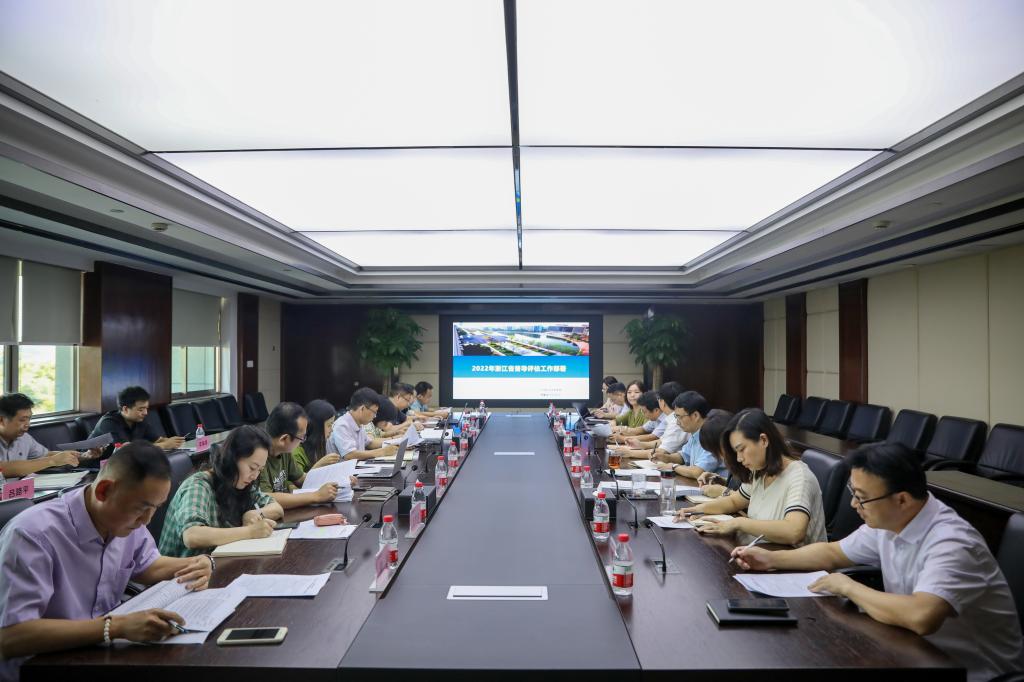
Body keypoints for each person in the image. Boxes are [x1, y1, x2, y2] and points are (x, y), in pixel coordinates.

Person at [731, 443, 1024, 682]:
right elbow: (833, 552)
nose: (853, 505)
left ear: (902, 499)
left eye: (861, 498)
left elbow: (922, 616)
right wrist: (771, 558)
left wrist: (849, 587)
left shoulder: (952, 543)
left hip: (973, 672)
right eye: (853, 494)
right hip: (911, 652)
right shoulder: (890, 521)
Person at [0, 442, 214, 679]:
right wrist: (115, 627)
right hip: (41, 666)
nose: (147, 520)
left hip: (101, 654)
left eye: (155, 508)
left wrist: (198, 563)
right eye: (141, 508)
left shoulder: (125, 521)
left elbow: (147, 566)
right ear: (103, 491)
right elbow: (12, 636)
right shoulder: (33, 535)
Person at [676, 408, 826, 547]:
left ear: (764, 440)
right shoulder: (759, 470)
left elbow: (794, 532)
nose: (739, 458)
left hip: (795, 561)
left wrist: (739, 523)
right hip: (763, 551)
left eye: (742, 449)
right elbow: (734, 501)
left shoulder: (799, 476)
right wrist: (696, 510)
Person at [158, 425, 285, 558]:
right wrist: (249, 532)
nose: (255, 476)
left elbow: (277, 508)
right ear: (232, 459)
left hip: (216, 561)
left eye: (260, 470)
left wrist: (255, 513)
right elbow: (191, 536)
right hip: (182, 568)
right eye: (252, 467)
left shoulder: (240, 482)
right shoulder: (198, 485)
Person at [259, 402, 354, 509]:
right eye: (302, 437)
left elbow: (302, 479)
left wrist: (340, 481)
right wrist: (316, 496)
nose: (302, 441)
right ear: (284, 439)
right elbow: (266, 498)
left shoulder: (284, 452)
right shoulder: (259, 457)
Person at [0, 392, 86, 477]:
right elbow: (3, 469)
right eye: (22, 420)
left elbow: (45, 455)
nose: (27, 424)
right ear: (2, 420)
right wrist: (52, 461)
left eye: (29, 419)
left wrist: (83, 456)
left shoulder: (24, 438)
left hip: (20, 486)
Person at [90, 386, 185, 451]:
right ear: (125, 409)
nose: (145, 413)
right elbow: (127, 450)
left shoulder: (139, 420)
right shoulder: (108, 422)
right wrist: (164, 445)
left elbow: (158, 440)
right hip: (94, 469)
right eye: (141, 409)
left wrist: (175, 441)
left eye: (146, 408)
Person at [664, 391, 729, 479]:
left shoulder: (712, 436)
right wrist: (665, 457)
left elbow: (697, 472)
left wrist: (673, 467)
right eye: (676, 417)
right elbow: (684, 455)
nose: (677, 422)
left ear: (695, 415)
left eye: (680, 417)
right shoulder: (695, 433)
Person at [330, 388, 400, 461]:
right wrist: (382, 452)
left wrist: (396, 442)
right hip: (345, 468)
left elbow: (370, 443)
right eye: (374, 412)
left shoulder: (359, 423)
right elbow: (349, 455)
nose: (375, 416)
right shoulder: (342, 425)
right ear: (362, 409)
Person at [693, 409, 737, 497]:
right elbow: (739, 487)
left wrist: (723, 491)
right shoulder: (735, 461)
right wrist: (720, 480)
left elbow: (748, 499)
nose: (720, 457)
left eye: (717, 451)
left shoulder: (748, 462)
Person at [292, 399, 342, 474]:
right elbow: (296, 481)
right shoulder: (296, 451)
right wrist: (320, 464)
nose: (331, 430)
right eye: (329, 425)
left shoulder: (319, 444)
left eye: (332, 424)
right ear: (317, 427)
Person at [613, 391, 666, 458]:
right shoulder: (654, 417)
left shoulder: (666, 419)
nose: (632, 395)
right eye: (629, 392)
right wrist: (624, 431)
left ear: (656, 410)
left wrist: (623, 439)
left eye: (636, 392)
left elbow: (652, 437)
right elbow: (642, 429)